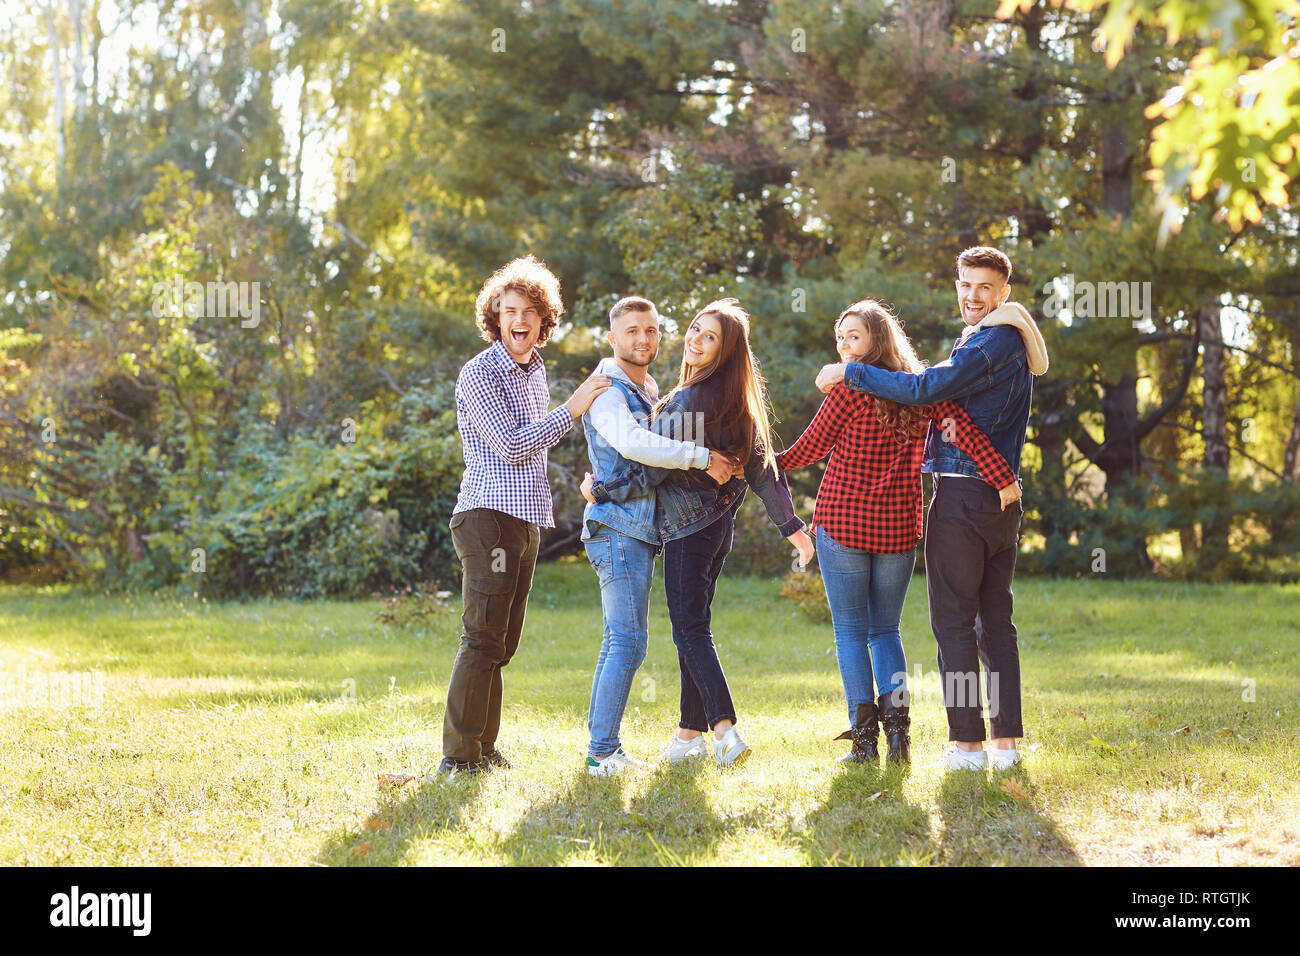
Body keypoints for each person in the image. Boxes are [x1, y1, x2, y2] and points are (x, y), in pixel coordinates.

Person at [814, 246, 1048, 772]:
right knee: (996, 622)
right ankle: (1005, 743)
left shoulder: (990, 343)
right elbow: (952, 413)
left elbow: (924, 390)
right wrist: (1003, 476)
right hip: (998, 498)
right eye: (966, 284)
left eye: (985, 287)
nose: (973, 295)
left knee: (954, 622)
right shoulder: (1001, 342)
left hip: (964, 498)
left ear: (1004, 294)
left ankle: (967, 745)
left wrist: (851, 373)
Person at [776, 299, 1019, 766]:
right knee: (886, 631)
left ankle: (865, 742)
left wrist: (762, 463)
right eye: (840, 338)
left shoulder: (848, 390)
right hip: (898, 530)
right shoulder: (919, 391)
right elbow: (961, 431)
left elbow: (808, 449)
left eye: (854, 337)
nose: (845, 347)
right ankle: (899, 737)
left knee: (851, 632)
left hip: (843, 523)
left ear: (877, 341)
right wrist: (1000, 475)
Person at [583, 298, 814, 768]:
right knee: (695, 629)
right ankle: (688, 738)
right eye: (694, 329)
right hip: (717, 530)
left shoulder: (687, 401)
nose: (696, 340)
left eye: (710, 337)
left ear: (726, 351)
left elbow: (648, 469)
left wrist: (601, 490)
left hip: (688, 532)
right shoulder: (733, 399)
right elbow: (763, 470)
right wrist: (792, 527)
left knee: (689, 631)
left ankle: (725, 731)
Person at [437, 255, 611, 778]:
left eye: (530, 311)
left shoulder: (534, 371)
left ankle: (483, 750)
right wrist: (574, 406)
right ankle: (458, 756)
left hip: (523, 519)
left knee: (503, 640)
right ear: (496, 317)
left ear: (544, 320)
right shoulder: (481, 372)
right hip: (486, 515)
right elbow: (513, 447)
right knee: (482, 636)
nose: (520, 319)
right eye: (509, 310)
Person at [577, 296, 737, 777]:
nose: (643, 339)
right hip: (617, 530)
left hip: (640, 532)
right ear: (613, 337)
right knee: (627, 642)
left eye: (650, 330)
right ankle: (602, 753)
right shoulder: (607, 388)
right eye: (632, 331)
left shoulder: (647, 388)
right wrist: (701, 456)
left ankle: (602, 750)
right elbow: (634, 445)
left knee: (621, 641)